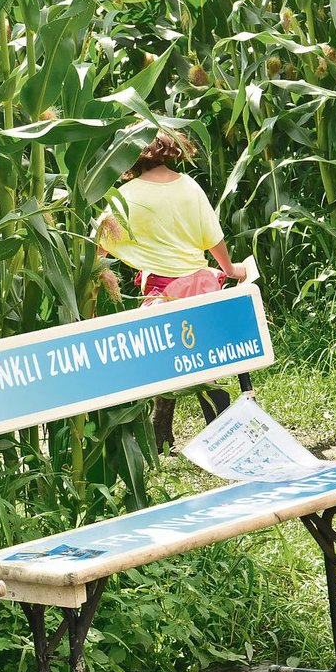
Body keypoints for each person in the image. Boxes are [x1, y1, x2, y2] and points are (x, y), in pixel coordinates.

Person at [98, 130, 242, 450]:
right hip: (203, 288)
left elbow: (97, 249)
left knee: (169, 363)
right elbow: (213, 237)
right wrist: (231, 270)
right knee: (207, 366)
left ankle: (161, 432)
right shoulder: (189, 186)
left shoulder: (126, 196)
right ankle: (222, 435)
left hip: (162, 296)